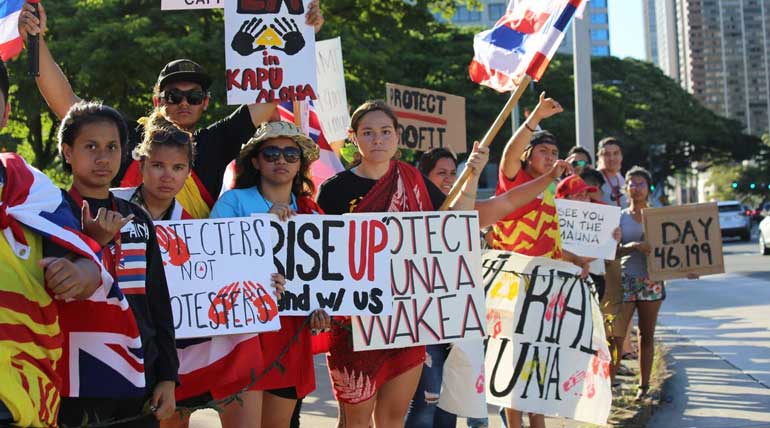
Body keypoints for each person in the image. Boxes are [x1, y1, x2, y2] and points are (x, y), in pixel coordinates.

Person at [17, 0, 324, 217]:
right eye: (173, 95)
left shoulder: (213, 143)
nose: (183, 103)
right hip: (132, 269)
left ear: (205, 103)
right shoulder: (127, 138)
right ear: (156, 102)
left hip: (194, 276)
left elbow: (274, 87)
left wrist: (303, 30)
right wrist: (37, 41)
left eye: (193, 97)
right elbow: (67, 103)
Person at [56, 100, 178, 427]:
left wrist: (168, 376)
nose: (102, 157)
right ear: (68, 151)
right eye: (90, 146)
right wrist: (93, 243)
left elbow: (157, 300)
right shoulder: (50, 216)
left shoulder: (137, 217)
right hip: (73, 383)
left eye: (112, 147)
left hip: (139, 378)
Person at [0, 59, 106, 428]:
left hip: (20, 393)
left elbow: (88, 264)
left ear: (6, 111)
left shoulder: (33, 193)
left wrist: (79, 273)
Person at [210, 121, 331, 428]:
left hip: (290, 337)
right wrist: (263, 226)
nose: (281, 160)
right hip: (240, 337)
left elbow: (322, 280)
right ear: (255, 160)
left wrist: (320, 309)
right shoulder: (232, 202)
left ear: (300, 163)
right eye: (272, 153)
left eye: (291, 154)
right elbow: (213, 261)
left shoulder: (312, 213)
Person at [491, 93, 591, 428]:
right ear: (528, 155)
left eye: (554, 153)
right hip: (512, 288)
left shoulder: (551, 189)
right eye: (543, 151)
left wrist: (575, 258)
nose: (550, 158)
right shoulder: (515, 179)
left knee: (541, 362)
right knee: (513, 364)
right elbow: (507, 152)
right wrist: (535, 117)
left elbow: (550, 240)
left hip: (547, 291)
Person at [615, 167, 697, 401]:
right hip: (626, 281)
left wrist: (689, 269)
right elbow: (610, 253)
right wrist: (631, 247)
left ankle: (643, 386)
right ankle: (609, 384)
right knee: (618, 335)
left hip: (652, 282)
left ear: (648, 188)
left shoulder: (661, 217)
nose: (636, 188)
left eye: (640, 183)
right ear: (626, 188)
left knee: (647, 335)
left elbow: (676, 248)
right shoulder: (618, 217)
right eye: (631, 183)